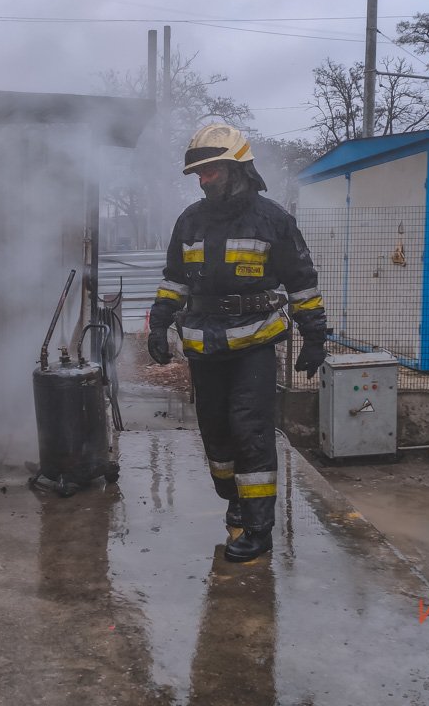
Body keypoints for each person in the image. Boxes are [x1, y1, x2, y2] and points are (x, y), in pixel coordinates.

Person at [147, 124, 326, 563]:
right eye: (199, 174)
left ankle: (259, 529)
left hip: (254, 344)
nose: (203, 180)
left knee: (251, 432)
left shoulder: (273, 220)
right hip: (204, 347)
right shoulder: (189, 220)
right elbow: (174, 279)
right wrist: (159, 323)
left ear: (237, 169)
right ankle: (236, 499)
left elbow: (302, 282)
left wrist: (314, 336)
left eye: (210, 171)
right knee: (216, 435)